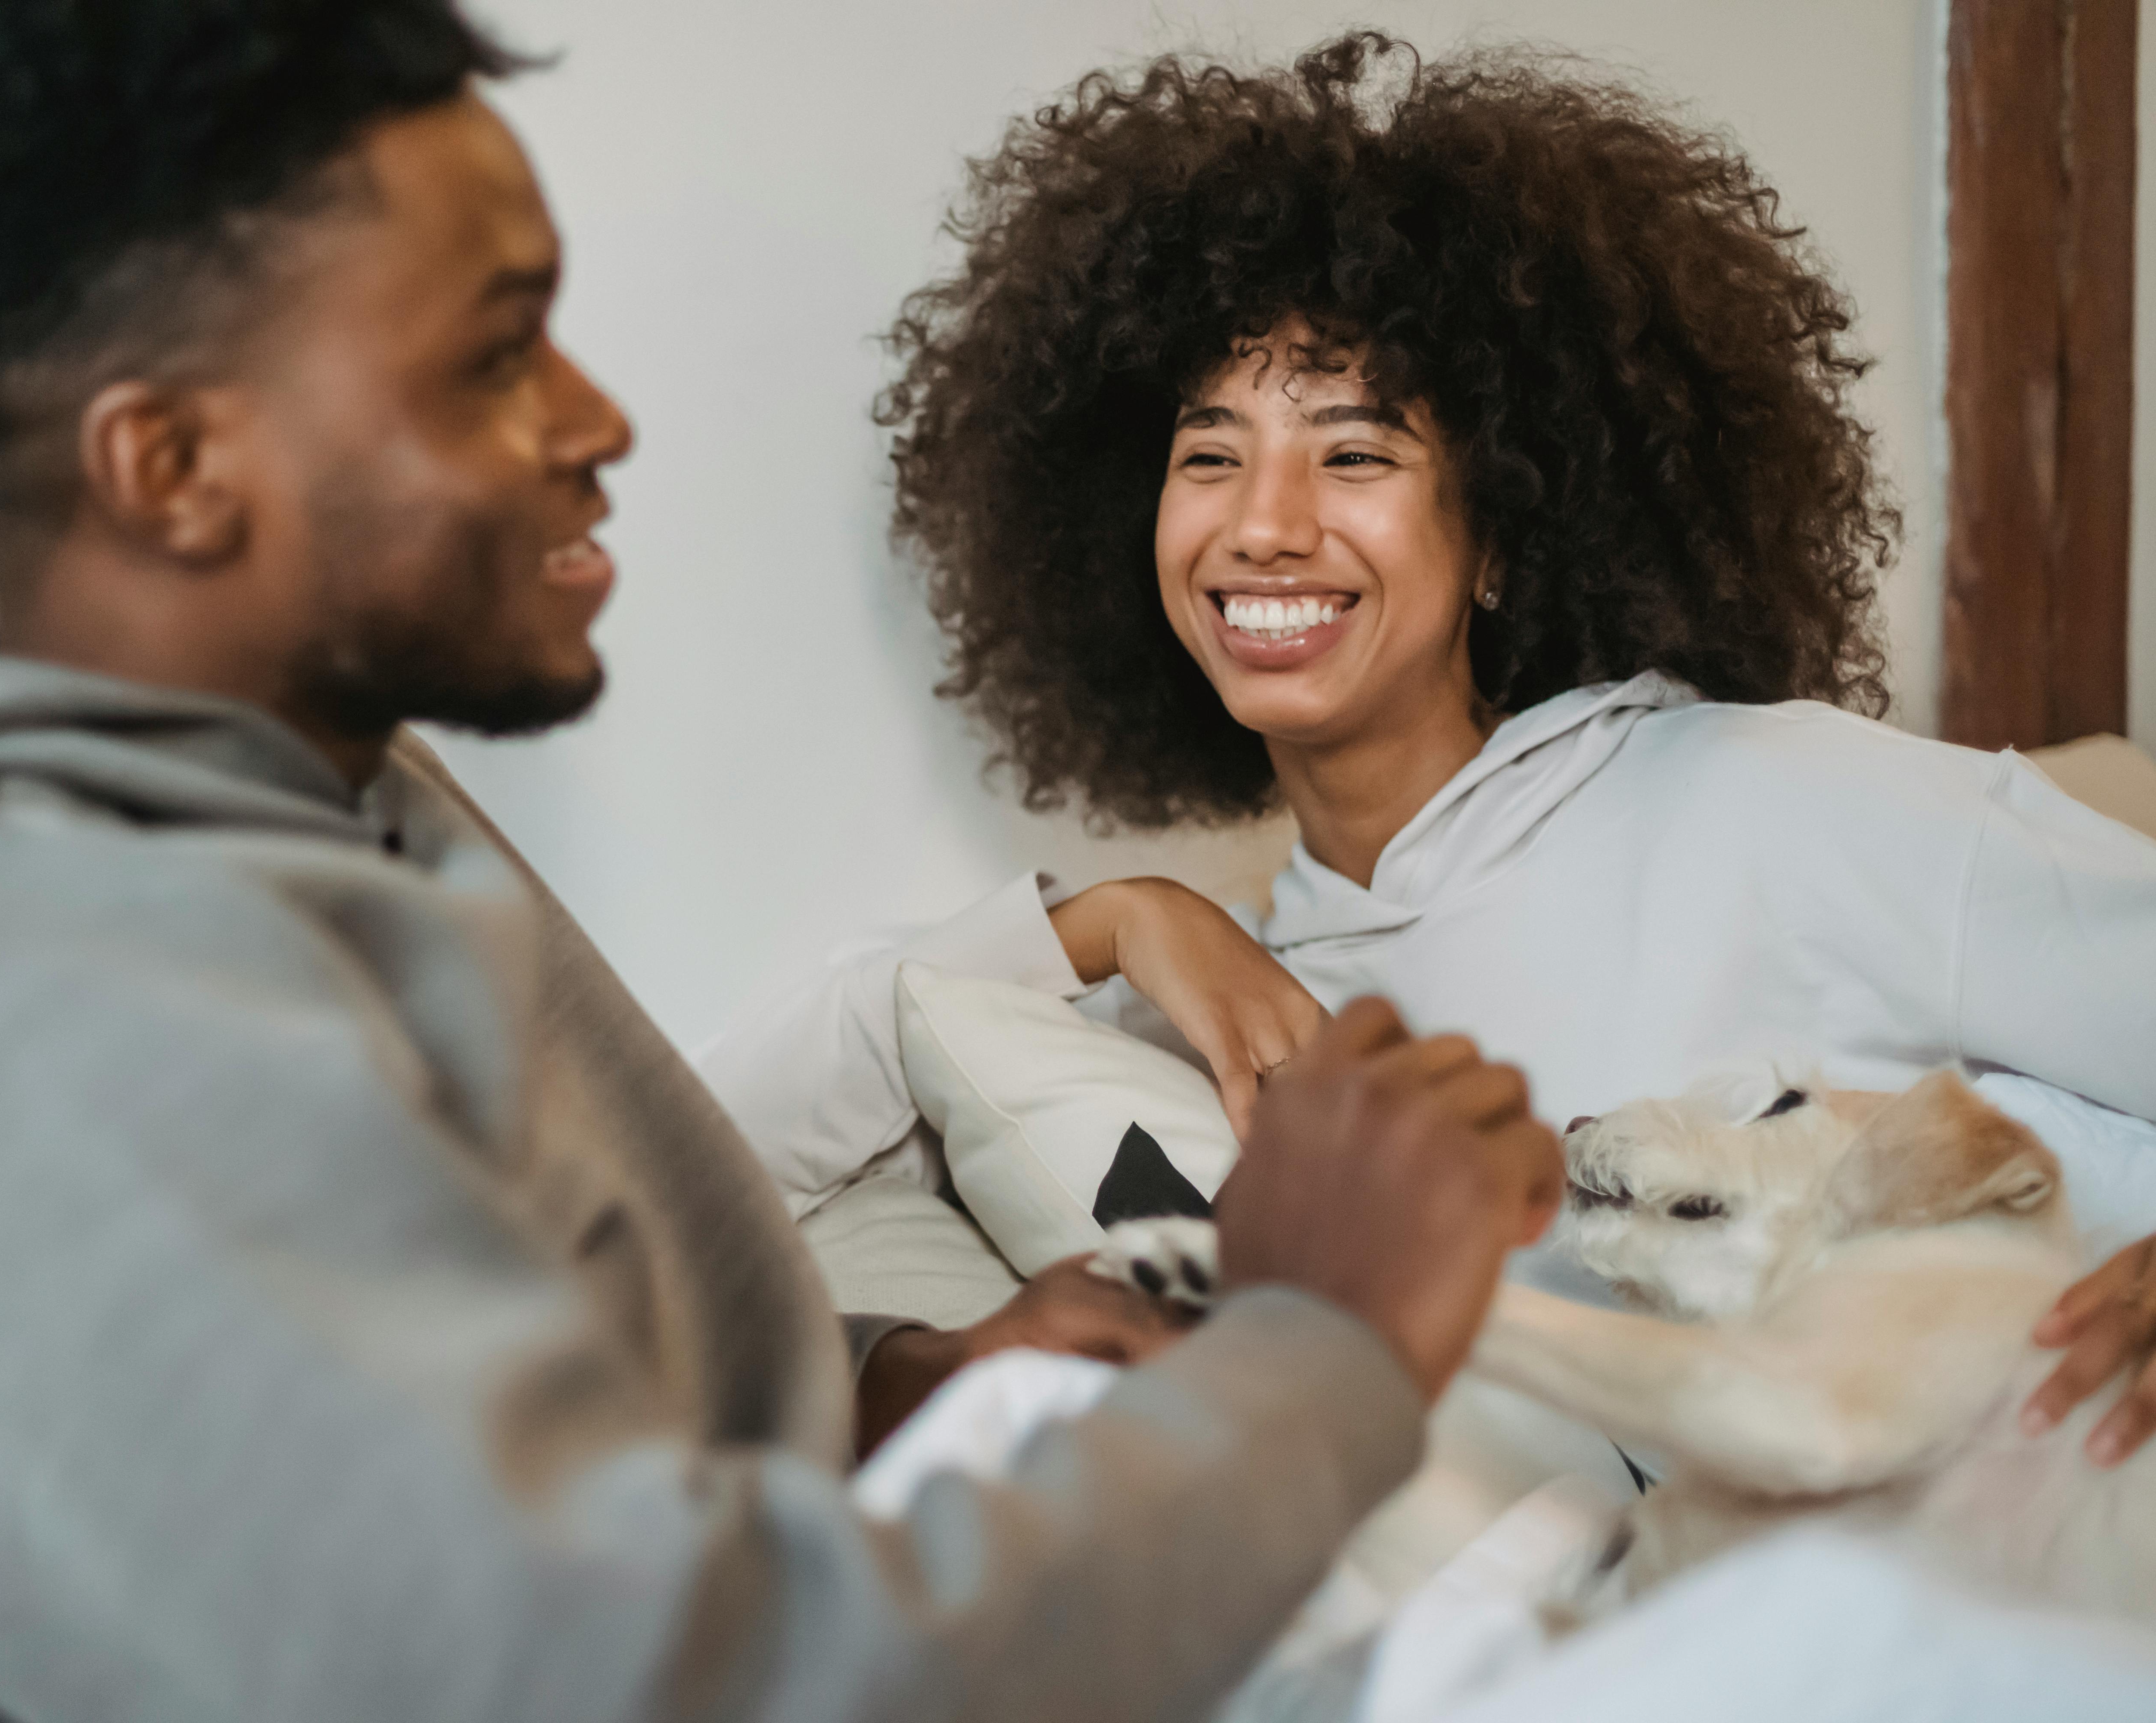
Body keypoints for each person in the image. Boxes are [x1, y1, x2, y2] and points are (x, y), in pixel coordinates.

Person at [0, 5, 1568, 1720]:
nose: (598, 422)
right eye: (495, 356)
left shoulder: (289, 776)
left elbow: (446, 1439)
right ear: (171, 466)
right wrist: (1329, 1347)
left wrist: (892, 1387)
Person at [703, 34, 2156, 1467]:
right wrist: (1110, 919)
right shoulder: (1213, 1025)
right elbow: (697, 1171)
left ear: (1503, 544)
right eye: (1210, 455)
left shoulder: (1778, 802)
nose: (1262, 524)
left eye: (1355, 453)